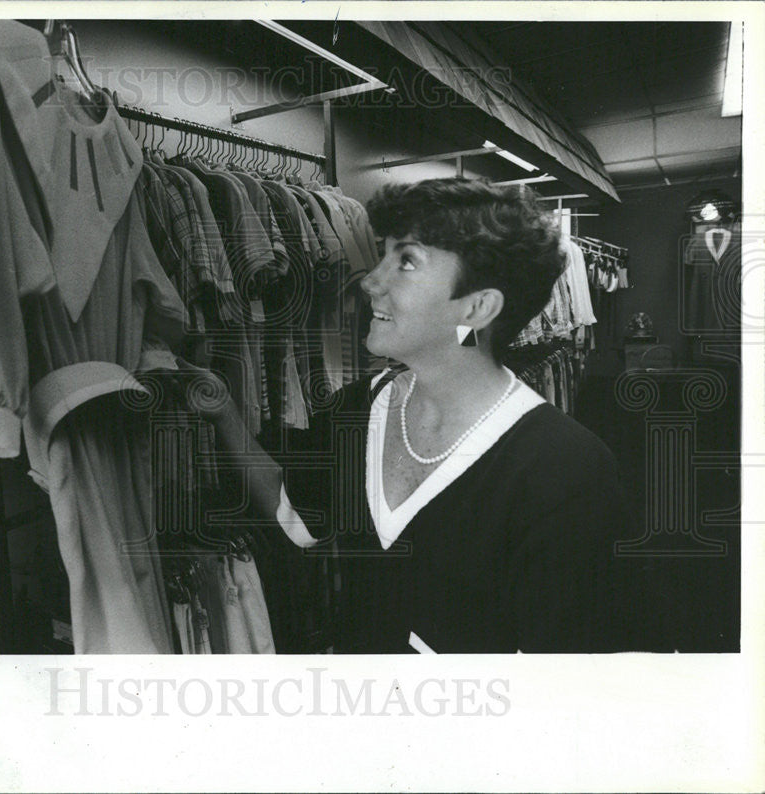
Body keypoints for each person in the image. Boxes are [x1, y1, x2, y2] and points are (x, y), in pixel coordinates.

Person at [173, 177, 645, 653]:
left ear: (478, 307)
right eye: (384, 255)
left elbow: (576, 686)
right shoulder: (359, 409)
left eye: (407, 261)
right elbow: (297, 515)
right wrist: (221, 409)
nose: (371, 281)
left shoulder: (565, 470)